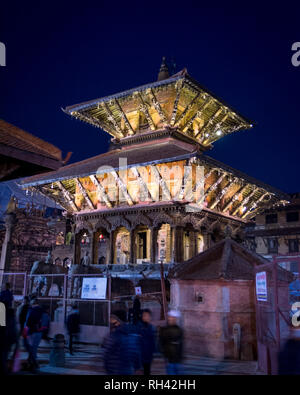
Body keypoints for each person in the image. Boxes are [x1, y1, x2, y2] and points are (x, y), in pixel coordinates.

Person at [103, 310, 142, 375]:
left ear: (118, 321)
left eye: (113, 321)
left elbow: (106, 357)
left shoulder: (112, 337)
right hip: (127, 372)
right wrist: (137, 368)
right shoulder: (132, 336)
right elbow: (136, 354)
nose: (111, 324)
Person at [23, 298, 44, 372]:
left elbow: (28, 322)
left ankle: (33, 364)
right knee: (34, 348)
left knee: (30, 348)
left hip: (32, 331)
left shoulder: (31, 310)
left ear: (32, 304)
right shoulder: (42, 311)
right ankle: (31, 363)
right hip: (39, 332)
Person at [159, 310, 184, 375]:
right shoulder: (164, 330)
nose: (172, 319)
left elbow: (181, 344)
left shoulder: (179, 330)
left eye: (174, 318)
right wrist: (165, 356)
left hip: (177, 360)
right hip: (170, 360)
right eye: (171, 317)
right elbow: (161, 344)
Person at [139, 309, 156, 375]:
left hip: (148, 357)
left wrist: (152, 354)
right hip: (140, 358)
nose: (147, 317)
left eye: (149, 316)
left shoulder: (151, 328)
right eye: (145, 316)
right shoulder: (139, 328)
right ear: (142, 317)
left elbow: (152, 342)